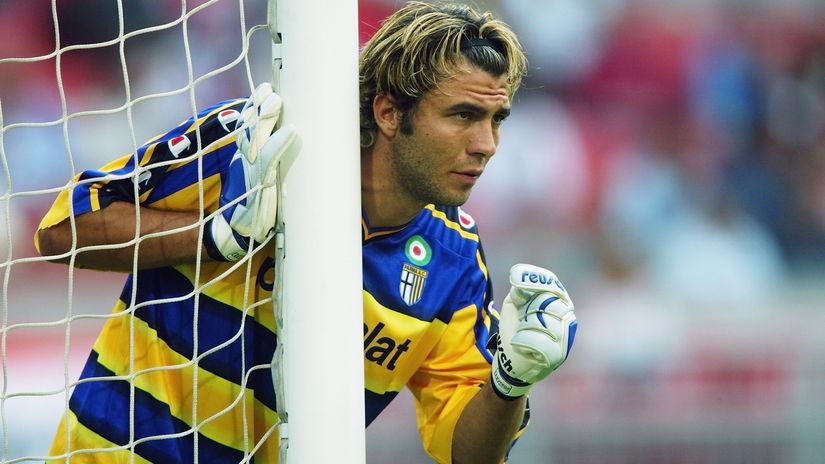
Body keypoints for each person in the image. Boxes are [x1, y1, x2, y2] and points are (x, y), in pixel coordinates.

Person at [36, 2, 577, 463]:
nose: (487, 144)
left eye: (497, 119)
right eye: (462, 115)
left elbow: (464, 450)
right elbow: (61, 229)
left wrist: (511, 382)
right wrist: (215, 237)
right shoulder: (257, 145)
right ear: (389, 111)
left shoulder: (454, 263)